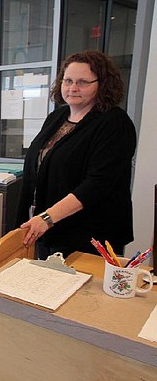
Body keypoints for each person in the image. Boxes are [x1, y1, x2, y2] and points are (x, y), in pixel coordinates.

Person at [17, 50, 136, 260]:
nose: (73, 88)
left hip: (90, 234)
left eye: (82, 82)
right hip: (51, 227)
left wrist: (47, 217)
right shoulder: (58, 116)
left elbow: (97, 184)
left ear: (102, 84)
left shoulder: (115, 123)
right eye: (68, 80)